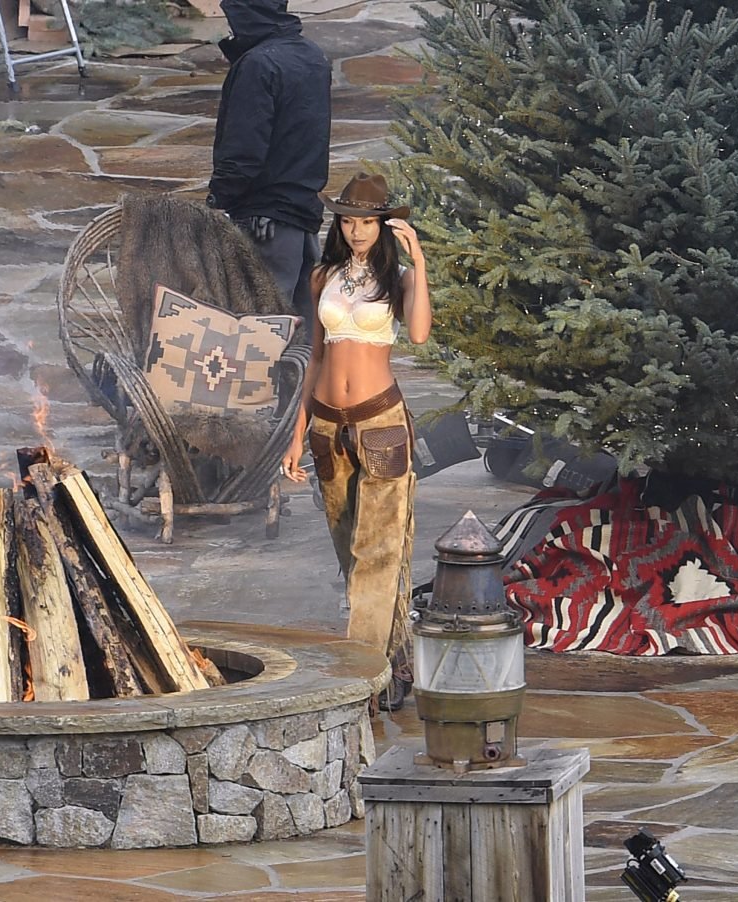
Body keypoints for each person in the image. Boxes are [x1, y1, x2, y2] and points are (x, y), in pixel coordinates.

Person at [281, 172, 431, 712]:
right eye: (348, 221)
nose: (357, 230)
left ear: (384, 224)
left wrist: (419, 261)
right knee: (351, 552)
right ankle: (396, 662)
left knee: (378, 554)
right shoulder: (324, 276)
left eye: (367, 221)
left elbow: (419, 334)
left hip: (379, 421)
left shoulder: (399, 278)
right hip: (326, 424)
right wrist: (296, 435)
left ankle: (360, 680)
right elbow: (316, 358)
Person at [207, 0, 332, 337]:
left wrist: (219, 199)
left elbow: (243, 150)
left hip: (264, 222)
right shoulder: (313, 56)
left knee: (256, 334)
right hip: (303, 216)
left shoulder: (257, 65)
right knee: (302, 332)